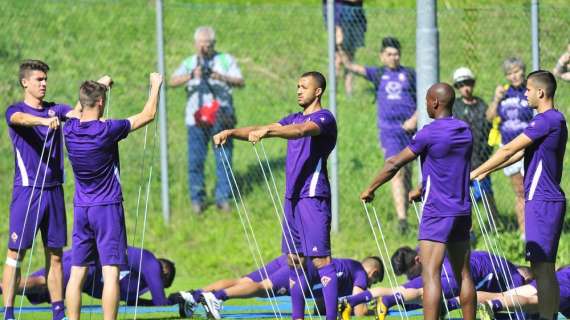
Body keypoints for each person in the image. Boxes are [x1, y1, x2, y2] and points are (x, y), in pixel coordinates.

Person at [213, 71, 338, 320]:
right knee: (293, 259)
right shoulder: (292, 117)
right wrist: (231, 132)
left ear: (318, 91)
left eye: (304, 86)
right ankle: (297, 317)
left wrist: (268, 132)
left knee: (321, 260)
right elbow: (263, 128)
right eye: (297, 86)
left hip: (312, 196)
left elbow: (301, 131)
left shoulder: (324, 118)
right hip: (292, 198)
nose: (299, 90)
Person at [2, 59, 110, 320]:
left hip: (54, 192)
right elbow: (21, 119)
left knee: (56, 256)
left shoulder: (55, 109)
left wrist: (100, 86)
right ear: (25, 82)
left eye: (45, 79)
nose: (44, 84)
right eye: (39, 79)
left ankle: (58, 312)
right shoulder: (15, 110)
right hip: (27, 192)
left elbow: (77, 112)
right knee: (16, 254)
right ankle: (7, 312)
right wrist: (42, 123)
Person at [360, 83, 476, 320]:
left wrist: (370, 188)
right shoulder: (465, 130)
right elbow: (450, 169)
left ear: (434, 102)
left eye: (426, 101)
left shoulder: (428, 132)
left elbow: (394, 163)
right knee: (464, 275)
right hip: (461, 210)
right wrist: (422, 189)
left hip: (437, 211)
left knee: (430, 274)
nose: (425, 105)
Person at [63, 73, 163, 320]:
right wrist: (155, 86)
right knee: (110, 273)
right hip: (106, 208)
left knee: (77, 274)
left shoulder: (70, 128)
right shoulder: (106, 130)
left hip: (81, 208)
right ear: (100, 103)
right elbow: (147, 115)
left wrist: (100, 84)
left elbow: (76, 111)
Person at [471, 70, 567, 320]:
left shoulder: (546, 120)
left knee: (543, 269)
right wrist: (486, 171)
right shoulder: (549, 122)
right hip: (543, 201)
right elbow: (516, 154)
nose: (525, 94)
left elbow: (509, 148)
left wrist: (474, 172)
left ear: (541, 92)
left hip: (542, 201)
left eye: (527, 90)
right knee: (543, 268)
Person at [343, 37, 416, 233]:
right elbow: (354, 68)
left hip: (410, 131)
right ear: (382, 56)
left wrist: (415, 119)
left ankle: (408, 211)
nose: (394, 57)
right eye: (390, 54)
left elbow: (426, 97)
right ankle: (402, 221)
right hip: (389, 131)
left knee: (408, 172)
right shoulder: (378, 74)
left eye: (397, 54)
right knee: (395, 170)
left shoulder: (409, 74)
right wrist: (341, 50)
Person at [169, 26, 244, 214]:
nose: (204, 48)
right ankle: (197, 199)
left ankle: (223, 198)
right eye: (201, 45)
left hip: (221, 118)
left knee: (224, 159)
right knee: (195, 160)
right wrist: (191, 75)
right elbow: (172, 81)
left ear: (214, 44)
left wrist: (221, 77)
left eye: (208, 45)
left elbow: (240, 81)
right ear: (195, 44)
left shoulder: (225, 60)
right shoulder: (189, 63)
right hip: (196, 120)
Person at [338, 247, 532, 320]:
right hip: (456, 274)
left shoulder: (422, 249)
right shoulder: (515, 277)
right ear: (526, 277)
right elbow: (505, 300)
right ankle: (388, 302)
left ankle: (350, 300)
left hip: (448, 267)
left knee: (399, 289)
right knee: (425, 295)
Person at [178, 256, 384, 319]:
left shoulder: (348, 267)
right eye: (373, 283)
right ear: (373, 274)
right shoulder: (360, 274)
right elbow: (360, 310)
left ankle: (194, 296)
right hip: (303, 268)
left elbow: (320, 305)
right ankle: (219, 297)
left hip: (294, 259)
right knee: (262, 288)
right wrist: (375, 305)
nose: (368, 286)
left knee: (245, 282)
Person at [4, 246, 176, 307]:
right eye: (162, 285)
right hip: (87, 266)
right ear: (165, 273)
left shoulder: (137, 282)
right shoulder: (151, 262)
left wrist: (149, 303)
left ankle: (2, 287)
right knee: (42, 283)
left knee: (38, 290)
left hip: (83, 272)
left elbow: (132, 303)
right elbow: (161, 302)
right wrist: (177, 301)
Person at [485, 57, 533, 236]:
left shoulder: (530, 91)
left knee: (533, 190)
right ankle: (524, 234)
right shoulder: (503, 93)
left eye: (516, 71)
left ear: (523, 70)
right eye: (509, 73)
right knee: (520, 190)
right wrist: (496, 99)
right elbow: (489, 117)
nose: (513, 76)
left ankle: (538, 229)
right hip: (509, 148)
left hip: (529, 146)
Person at [451, 67, 499, 220]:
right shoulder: (455, 106)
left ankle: (495, 223)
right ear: (457, 88)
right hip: (460, 159)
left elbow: (489, 118)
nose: (465, 87)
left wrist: (496, 99)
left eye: (468, 83)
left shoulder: (480, 104)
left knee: (485, 192)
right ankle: (467, 228)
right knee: (464, 195)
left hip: (480, 156)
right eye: (461, 85)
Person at [477, 266, 570, 320]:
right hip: (566, 287)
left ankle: (464, 300)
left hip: (554, 277)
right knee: (533, 302)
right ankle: (495, 305)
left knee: (502, 295)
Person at [323, 0, 367, 95]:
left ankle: (348, 92)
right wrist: (337, 27)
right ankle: (332, 92)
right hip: (340, 17)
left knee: (350, 56)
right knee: (338, 58)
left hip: (355, 15)